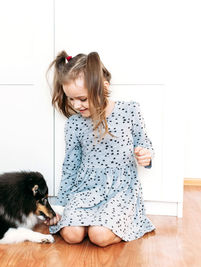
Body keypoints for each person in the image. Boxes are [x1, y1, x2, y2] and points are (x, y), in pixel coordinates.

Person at [44, 51, 155, 247]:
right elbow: (71, 166)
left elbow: (144, 143)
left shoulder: (129, 111)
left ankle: (110, 224)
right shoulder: (74, 124)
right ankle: (90, 220)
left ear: (104, 87)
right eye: (71, 99)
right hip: (85, 188)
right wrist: (61, 205)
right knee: (71, 235)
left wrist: (145, 155)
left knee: (99, 236)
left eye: (82, 99)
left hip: (119, 190)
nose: (76, 105)